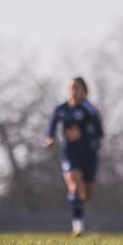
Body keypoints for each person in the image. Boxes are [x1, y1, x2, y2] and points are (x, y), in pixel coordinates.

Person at [44, 77, 104, 236]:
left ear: (84, 91)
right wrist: (50, 138)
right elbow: (52, 125)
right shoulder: (61, 109)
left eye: (77, 88)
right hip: (70, 153)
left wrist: (84, 136)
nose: (73, 91)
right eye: (71, 88)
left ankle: (79, 206)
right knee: (74, 182)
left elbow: (99, 133)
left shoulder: (89, 109)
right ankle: (78, 225)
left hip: (88, 153)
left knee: (86, 194)